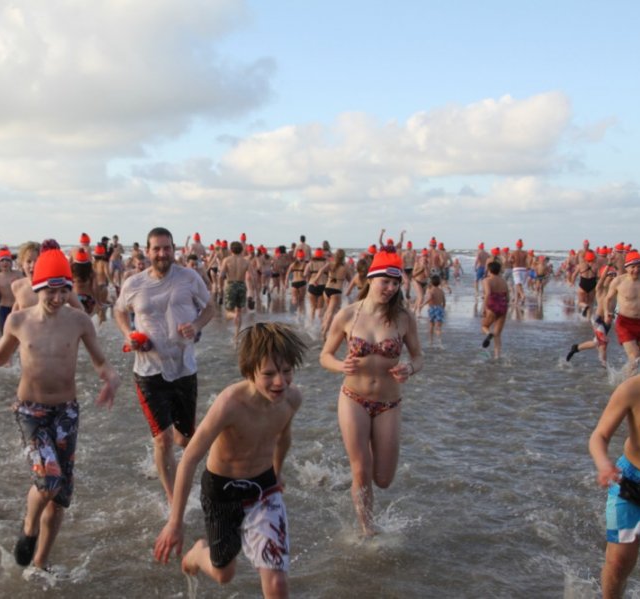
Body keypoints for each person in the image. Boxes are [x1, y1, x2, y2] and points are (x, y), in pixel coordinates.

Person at [0, 239, 120, 570]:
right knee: (49, 481)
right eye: (50, 290)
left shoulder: (79, 321)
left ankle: (41, 563)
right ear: (37, 287)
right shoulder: (19, 321)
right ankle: (28, 528)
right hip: (30, 411)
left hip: (66, 411)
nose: (57, 298)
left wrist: (112, 377)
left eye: (63, 290)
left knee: (61, 497)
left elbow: (100, 363)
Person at [154, 323, 307, 598]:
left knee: (277, 584)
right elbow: (189, 458)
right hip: (221, 492)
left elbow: (283, 436)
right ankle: (199, 553)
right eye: (269, 374)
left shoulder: (292, 398)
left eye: (286, 372)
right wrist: (175, 521)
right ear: (250, 373)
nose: (280, 382)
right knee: (225, 574)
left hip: (264, 489)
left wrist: (278, 471)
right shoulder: (230, 404)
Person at [319, 246, 422, 536]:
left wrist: (410, 369)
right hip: (353, 399)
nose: (390, 288)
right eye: (385, 282)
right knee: (361, 469)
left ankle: (360, 494)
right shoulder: (348, 315)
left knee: (384, 479)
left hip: (389, 403)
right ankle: (368, 530)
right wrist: (341, 366)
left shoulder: (403, 318)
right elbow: (325, 355)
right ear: (370, 279)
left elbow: (418, 357)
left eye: (395, 283)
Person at [114, 227, 215, 505]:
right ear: (147, 251)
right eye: (156, 248)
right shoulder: (134, 283)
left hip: (184, 368)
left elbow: (210, 308)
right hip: (148, 371)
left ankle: (186, 463)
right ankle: (174, 502)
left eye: (167, 248)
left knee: (184, 439)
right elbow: (119, 310)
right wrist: (128, 334)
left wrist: (195, 326)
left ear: (174, 250)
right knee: (163, 440)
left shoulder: (189, 277)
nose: (162, 253)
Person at [589, 374, 640, 598]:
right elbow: (599, 436)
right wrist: (604, 465)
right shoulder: (633, 388)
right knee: (619, 562)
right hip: (631, 482)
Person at [567, 264, 618, 366]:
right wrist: (608, 265)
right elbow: (602, 278)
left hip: (607, 322)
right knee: (603, 343)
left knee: (596, 343)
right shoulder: (599, 289)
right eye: (610, 275)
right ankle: (604, 366)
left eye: (614, 275)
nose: (612, 277)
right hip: (597, 320)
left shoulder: (615, 290)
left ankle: (576, 348)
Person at [604, 251, 640, 375]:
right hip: (625, 323)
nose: (636, 270)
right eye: (633, 267)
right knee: (636, 357)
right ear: (627, 267)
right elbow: (608, 298)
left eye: (639, 266)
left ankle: (623, 377)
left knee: (639, 358)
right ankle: (626, 387)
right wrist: (607, 313)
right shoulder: (618, 282)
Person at [219, 240, 249, 340]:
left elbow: (221, 275)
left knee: (228, 312)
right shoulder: (246, 261)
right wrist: (252, 294)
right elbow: (253, 277)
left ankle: (233, 315)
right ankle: (236, 337)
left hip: (231, 285)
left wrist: (220, 289)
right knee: (239, 312)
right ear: (241, 250)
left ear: (231, 250)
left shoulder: (227, 260)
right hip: (242, 285)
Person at [481, 260, 509, 359]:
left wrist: (484, 308)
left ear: (489, 270)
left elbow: (488, 293)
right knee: (498, 334)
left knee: (484, 326)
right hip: (503, 305)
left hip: (492, 305)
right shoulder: (503, 281)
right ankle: (497, 356)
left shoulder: (486, 280)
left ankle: (489, 334)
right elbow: (508, 297)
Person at [0, 248, 22, 333]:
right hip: (4, 308)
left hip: (18, 307)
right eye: (2, 260)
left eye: (8, 260)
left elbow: (26, 291)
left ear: (11, 263)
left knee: (19, 334)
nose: (5, 262)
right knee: (4, 333)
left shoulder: (18, 274)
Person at [421, 274, 446, 348]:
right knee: (438, 326)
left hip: (432, 308)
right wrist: (442, 309)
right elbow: (444, 302)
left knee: (431, 325)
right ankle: (440, 341)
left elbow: (430, 298)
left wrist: (423, 304)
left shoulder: (431, 290)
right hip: (439, 308)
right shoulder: (441, 291)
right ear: (439, 282)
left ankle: (431, 341)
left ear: (431, 283)